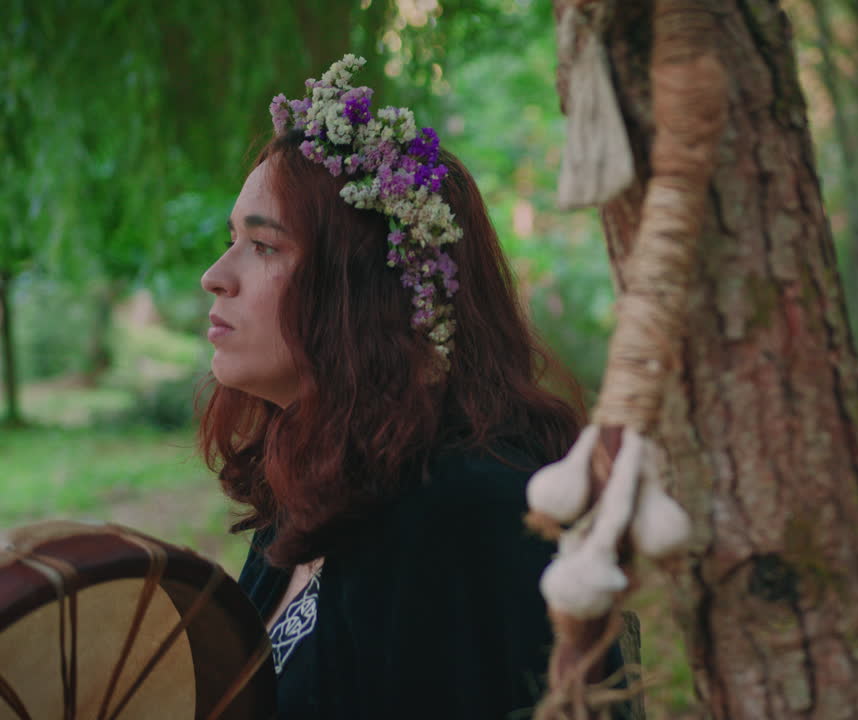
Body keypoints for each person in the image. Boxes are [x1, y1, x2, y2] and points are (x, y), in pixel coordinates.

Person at [197, 55, 588, 718]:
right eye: (232, 238)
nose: (215, 275)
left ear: (364, 291)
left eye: (264, 246)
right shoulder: (314, 487)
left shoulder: (464, 511)